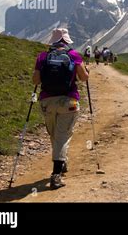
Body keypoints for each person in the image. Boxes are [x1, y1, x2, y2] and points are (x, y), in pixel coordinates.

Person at [32, 28, 89, 190]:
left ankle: (61, 161)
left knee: (54, 134)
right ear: (66, 40)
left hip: (47, 101)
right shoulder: (74, 56)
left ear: (53, 41)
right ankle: (56, 174)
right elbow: (84, 78)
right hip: (69, 101)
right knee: (62, 136)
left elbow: (35, 81)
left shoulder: (42, 56)